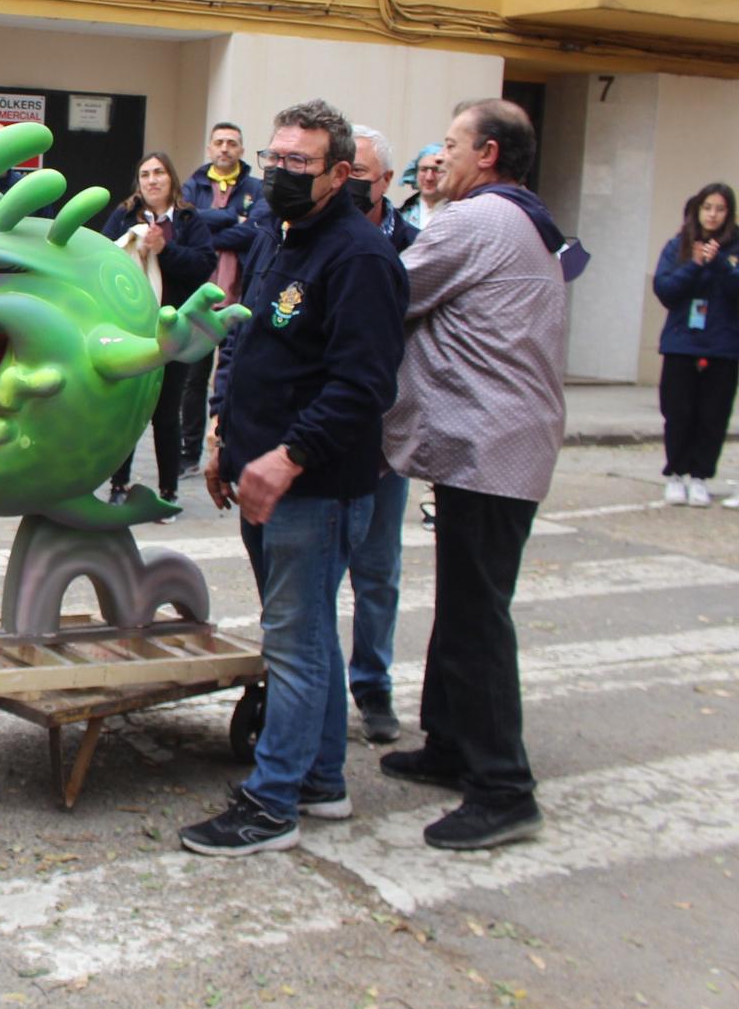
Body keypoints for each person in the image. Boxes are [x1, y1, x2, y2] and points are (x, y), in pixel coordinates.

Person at [183, 100, 407, 857]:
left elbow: (362, 385)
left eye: (296, 164)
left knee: (294, 640)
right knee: (306, 630)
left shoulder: (360, 257)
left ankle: (272, 800)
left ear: (341, 173)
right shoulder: (282, 237)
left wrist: (287, 456)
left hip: (311, 486)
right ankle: (320, 779)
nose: (276, 173)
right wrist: (223, 438)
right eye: (273, 159)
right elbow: (248, 341)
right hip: (255, 473)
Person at [382, 99, 570, 851]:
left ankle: (503, 785)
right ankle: (453, 742)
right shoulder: (527, 219)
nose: (444, 155)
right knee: (465, 603)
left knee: (478, 614)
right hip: (503, 443)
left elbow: (388, 294)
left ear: (488, 153)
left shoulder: (472, 220)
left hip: (490, 447)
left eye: (453, 143)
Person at [341, 124, 419, 745]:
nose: (349, 181)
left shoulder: (416, 248)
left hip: (383, 443)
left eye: (361, 172)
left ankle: (373, 687)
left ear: (386, 181)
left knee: (377, 572)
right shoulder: (305, 234)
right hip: (318, 439)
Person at [101, 152, 215, 516]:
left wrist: (165, 251)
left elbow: (202, 266)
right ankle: (118, 484)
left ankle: (168, 491)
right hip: (133, 330)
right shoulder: (123, 216)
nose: (152, 180)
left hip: (175, 330)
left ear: (171, 179)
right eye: (145, 174)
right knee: (128, 410)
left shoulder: (188, 219)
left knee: (167, 413)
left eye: (159, 173)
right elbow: (103, 258)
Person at [178, 123, 265, 474]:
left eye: (232, 143)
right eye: (219, 142)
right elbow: (187, 227)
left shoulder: (256, 188)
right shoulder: (192, 185)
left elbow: (255, 232)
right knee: (193, 380)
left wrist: (208, 229)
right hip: (200, 299)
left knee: (234, 377)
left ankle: (229, 446)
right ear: (210, 148)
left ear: (242, 150)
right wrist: (231, 218)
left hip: (240, 299)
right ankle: (188, 453)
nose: (225, 148)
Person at [652, 183, 739, 507]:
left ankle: (700, 477)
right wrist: (695, 264)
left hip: (722, 345)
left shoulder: (734, 248)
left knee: (712, 415)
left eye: (719, 208)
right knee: (678, 412)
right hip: (681, 343)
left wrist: (718, 264)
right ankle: (675, 473)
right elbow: (665, 289)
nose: (713, 214)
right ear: (697, 210)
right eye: (707, 207)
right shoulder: (678, 246)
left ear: (728, 213)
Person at [398, 143, 445, 229]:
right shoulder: (401, 217)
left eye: (436, 170)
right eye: (423, 170)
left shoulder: (458, 214)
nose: (429, 177)